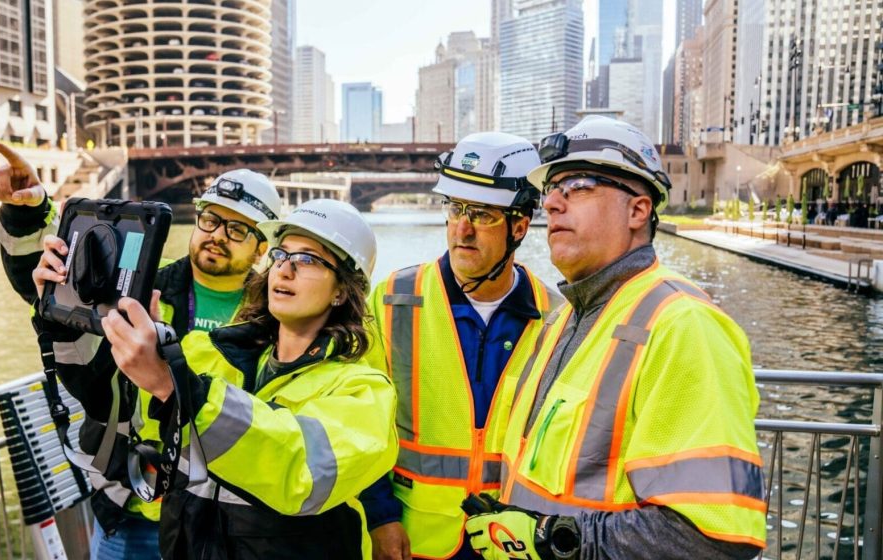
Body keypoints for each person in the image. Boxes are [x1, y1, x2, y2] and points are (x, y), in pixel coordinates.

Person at [463, 115, 765, 560]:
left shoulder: (683, 326)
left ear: (638, 210)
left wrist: (553, 538)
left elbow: (713, 538)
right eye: (552, 190)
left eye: (579, 186)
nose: (552, 204)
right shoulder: (563, 321)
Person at [0, 143, 282, 558]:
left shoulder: (279, 317)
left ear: (262, 248)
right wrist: (28, 213)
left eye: (237, 229)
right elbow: (56, 295)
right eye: (211, 220)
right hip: (133, 514)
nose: (217, 235)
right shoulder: (140, 291)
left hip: (228, 524)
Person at [64, 199, 399, 559]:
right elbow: (120, 410)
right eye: (281, 255)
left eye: (307, 260)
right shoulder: (208, 353)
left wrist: (177, 388)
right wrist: (77, 305)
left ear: (342, 290)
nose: (284, 270)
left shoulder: (363, 390)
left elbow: (300, 468)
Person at [360, 132, 559, 560]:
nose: (462, 229)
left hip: (511, 542)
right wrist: (380, 517)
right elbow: (364, 423)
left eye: (483, 214)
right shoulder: (394, 298)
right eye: (455, 209)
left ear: (520, 226)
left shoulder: (556, 317)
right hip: (414, 540)